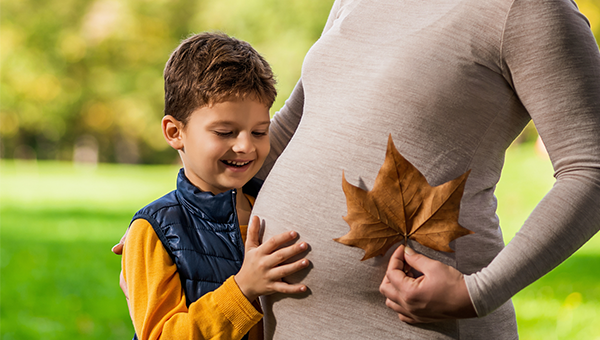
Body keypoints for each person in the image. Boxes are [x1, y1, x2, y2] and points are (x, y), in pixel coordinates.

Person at [246, 0, 600, 339]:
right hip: (289, 323)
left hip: (411, 326)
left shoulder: (527, 8)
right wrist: (198, 188)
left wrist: (477, 293)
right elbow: (295, 125)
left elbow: (590, 169)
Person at [117, 32, 310, 340]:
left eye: (260, 131)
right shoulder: (154, 231)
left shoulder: (272, 201)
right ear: (174, 132)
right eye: (225, 132)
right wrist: (242, 289)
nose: (246, 146)